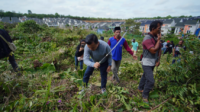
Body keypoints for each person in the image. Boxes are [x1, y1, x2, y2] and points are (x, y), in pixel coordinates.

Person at [138, 21, 162, 103]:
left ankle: (140, 88)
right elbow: (153, 51)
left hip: (153, 62)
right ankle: (145, 95)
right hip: (146, 63)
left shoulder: (155, 38)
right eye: (159, 28)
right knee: (151, 81)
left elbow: (159, 50)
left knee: (145, 76)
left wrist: (158, 60)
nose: (160, 30)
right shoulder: (147, 38)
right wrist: (158, 40)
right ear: (153, 29)